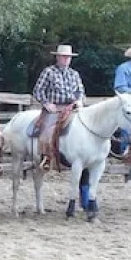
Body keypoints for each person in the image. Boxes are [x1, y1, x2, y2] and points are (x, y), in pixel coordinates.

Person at [30, 44, 87, 186]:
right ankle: (47, 157)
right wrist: (46, 103)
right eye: (63, 56)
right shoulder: (48, 72)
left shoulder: (74, 74)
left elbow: (81, 91)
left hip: (71, 108)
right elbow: (38, 90)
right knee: (48, 130)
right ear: (57, 57)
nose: (66, 59)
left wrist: (79, 101)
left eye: (68, 57)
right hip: (54, 108)